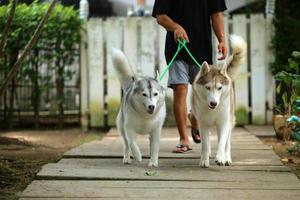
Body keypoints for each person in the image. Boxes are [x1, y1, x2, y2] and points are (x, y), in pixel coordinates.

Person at [152, 0, 227, 153]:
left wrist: (222, 40)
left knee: (203, 92)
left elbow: (217, 14)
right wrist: (175, 27)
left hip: (202, 51)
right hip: (177, 48)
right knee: (180, 89)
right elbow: (160, 16)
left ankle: (194, 118)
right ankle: (184, 139)